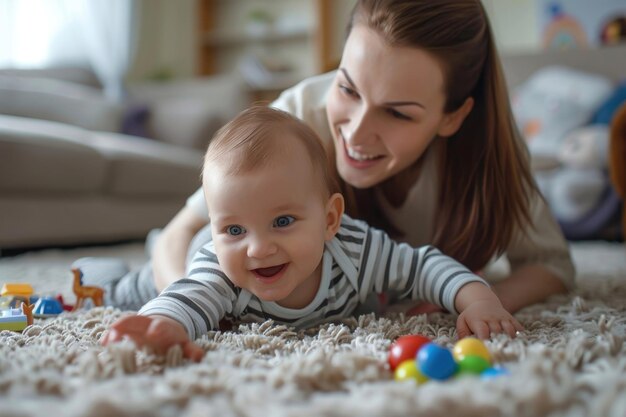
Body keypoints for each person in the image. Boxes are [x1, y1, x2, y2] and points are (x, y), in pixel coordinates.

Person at [75, 0, 574, 315]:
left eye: (397, 114)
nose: (356, 132)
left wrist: (472, 300)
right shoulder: (293, 118)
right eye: (347, 88)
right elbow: (182, 230)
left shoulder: (491, 153)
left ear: (452, 116)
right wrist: (189, 300)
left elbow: (550, 264)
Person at [101, 106, 523, 361]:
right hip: (192, 259)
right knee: (132, 289)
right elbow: (185, 300)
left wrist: (478, 298)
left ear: (329, 220)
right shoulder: (221, 266)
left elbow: (421, 266)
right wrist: (163, 325)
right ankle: (110, 271)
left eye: (282, 222)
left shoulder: (355, 251)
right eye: (233, 228)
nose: (258, 248)